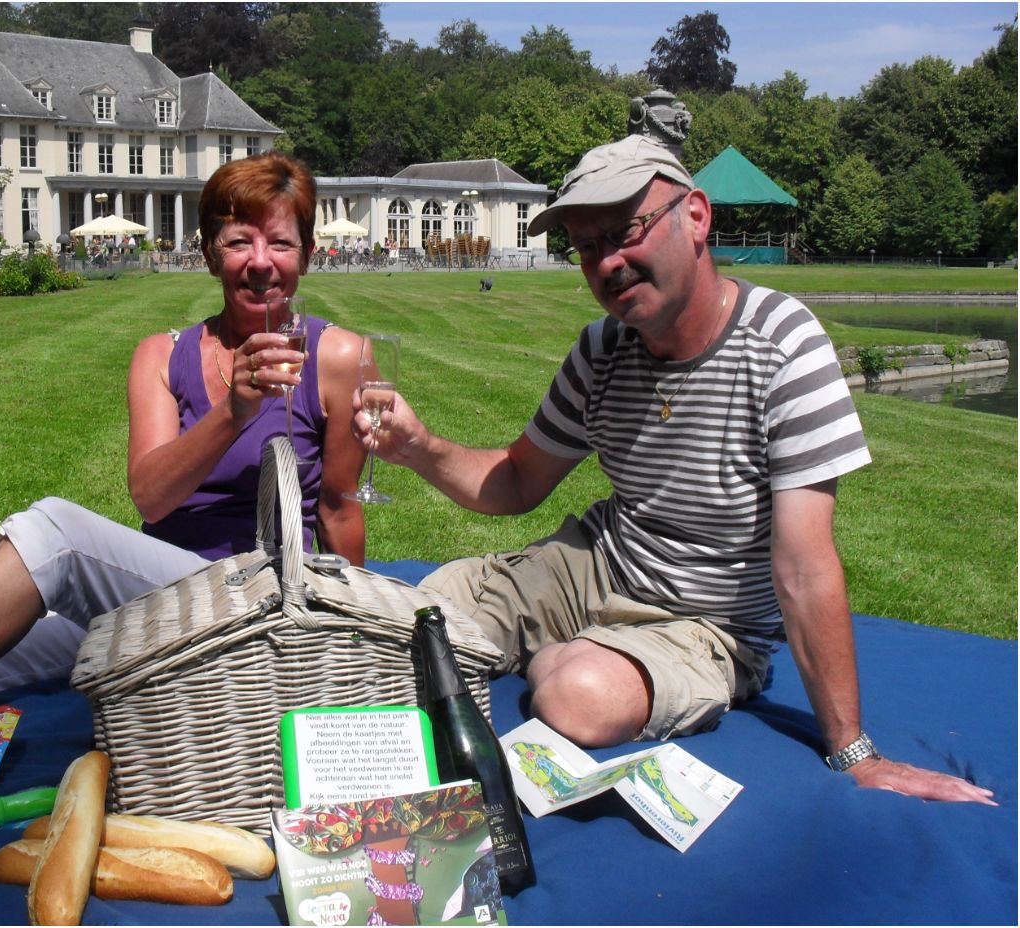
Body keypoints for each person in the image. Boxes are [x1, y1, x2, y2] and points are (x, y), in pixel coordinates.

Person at [352, 135, 994, 805]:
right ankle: (568, 645)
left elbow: (804, 567)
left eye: (625, 230)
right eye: (587, 246)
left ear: (696, 217)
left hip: (710, 622)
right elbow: (518, 479)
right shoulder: (602, 349)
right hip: (594, 569)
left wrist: (855, 753)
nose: (608, 262)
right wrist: (418, 448)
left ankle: (565, 655)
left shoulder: (784, 348)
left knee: (577, 699)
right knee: (420, 617)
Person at [0, 151, 365, 774]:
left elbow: (338, 511)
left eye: (280, 242)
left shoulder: (338, 358)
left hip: (261, 608)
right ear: (209, 253)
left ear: (306, 255)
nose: (260, 262)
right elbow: (152, 497)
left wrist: (343, 647)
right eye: (238, 241)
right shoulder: (162, 356)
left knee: (56, 537)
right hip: (159, 600)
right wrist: (233, 411)